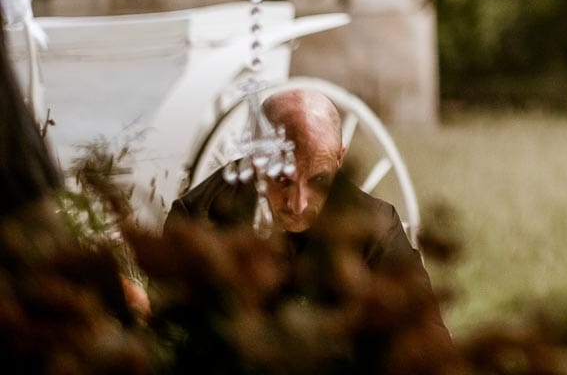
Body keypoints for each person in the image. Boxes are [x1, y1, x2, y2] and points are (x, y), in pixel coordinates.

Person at [168, 87, 447, 340]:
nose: (298, 204)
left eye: (318, 181)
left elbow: (427, 336)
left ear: (339, 159)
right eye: (282, 179)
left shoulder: (376, 227)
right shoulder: (199, 218)